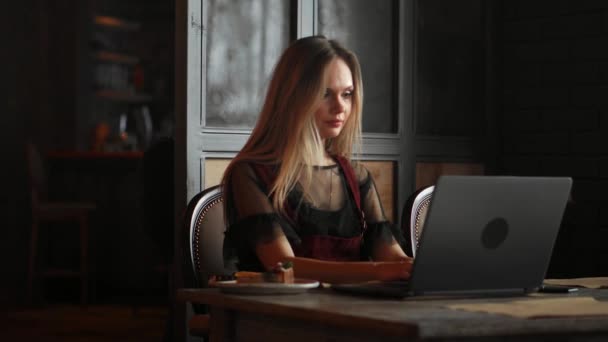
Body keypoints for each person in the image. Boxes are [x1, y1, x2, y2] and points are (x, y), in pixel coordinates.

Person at [222, 35, 412, 284]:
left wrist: (423, 267)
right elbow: (285, 266)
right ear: (293, 97)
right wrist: (376, 271)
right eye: (325, 94)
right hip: (282, 317)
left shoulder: (356, 176)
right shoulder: (250, 173)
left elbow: (393, 259)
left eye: (347, 94)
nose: (340, 107)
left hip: (354, 312)